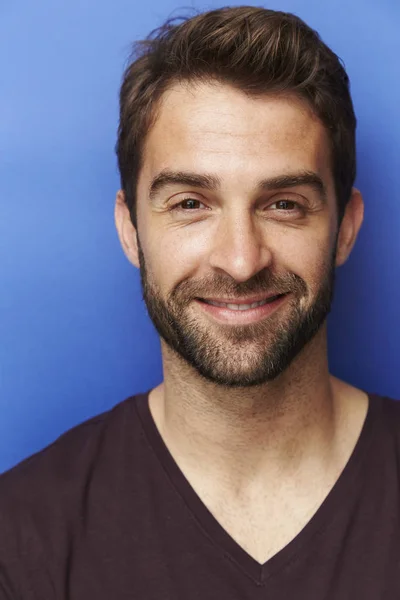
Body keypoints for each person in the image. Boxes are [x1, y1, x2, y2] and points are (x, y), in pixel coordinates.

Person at [0, 5, 399, 599]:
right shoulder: (22, 534)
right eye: (190, 203)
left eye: (284, 204)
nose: (241, 260)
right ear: (130, 228)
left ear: (345, 228)